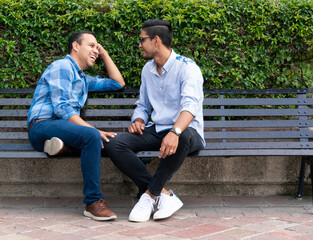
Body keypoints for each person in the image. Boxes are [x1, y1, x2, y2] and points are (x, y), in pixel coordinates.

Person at [104, 19, 205, 222]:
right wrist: (139, 120)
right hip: (157, 130)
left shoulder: (188, 68)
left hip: (187, 133)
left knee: (182, 135)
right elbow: (142, 105)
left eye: (142, 40)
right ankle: (164, 194)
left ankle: (149, 196)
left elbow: (190, 107)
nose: (139, 44)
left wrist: (175, 132)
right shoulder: (147, 70)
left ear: (156, 40)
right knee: (114, 144)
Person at [27, 31, 125, 221]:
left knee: (113, 142)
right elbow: (61, 108)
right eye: (91, 45)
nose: (95, 50)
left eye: (97, 47)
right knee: (92, 137)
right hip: (42, 125)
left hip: (61, 129)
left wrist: (104, 54)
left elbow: (117, 83)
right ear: (75, 46)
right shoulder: (62, 66)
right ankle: (93, 202)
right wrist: (93, 131)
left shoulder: (83, 79)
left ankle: (61, 146)